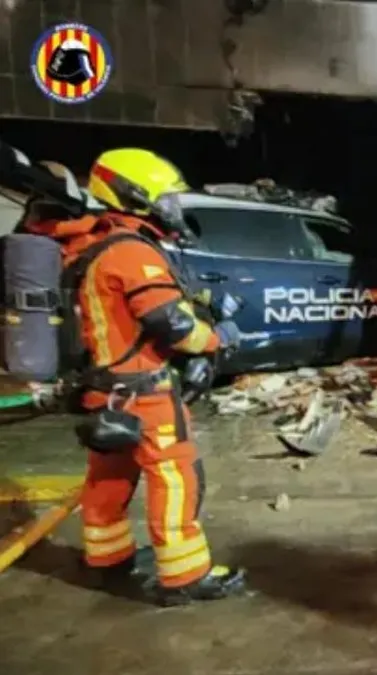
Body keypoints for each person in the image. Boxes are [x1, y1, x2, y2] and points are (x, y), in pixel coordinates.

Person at [40, 148, 247, 604]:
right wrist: (218, 338)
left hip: (99, 388)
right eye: (165, 199)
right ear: (134, 195)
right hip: (144, 391)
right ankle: (186, 575)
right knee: (175, 477)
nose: (172, 210)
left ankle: (107, 560)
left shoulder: (81, 245)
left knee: (108, 476)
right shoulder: (131, 251)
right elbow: (171, 324)